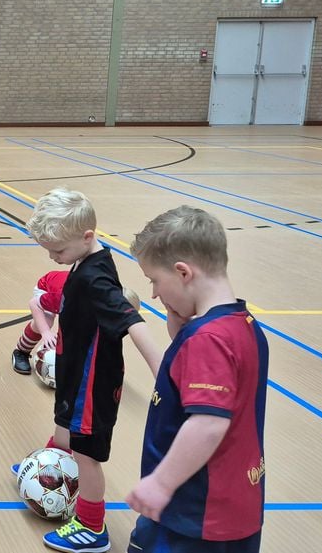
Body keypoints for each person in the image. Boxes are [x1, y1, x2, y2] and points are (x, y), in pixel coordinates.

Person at [25, 188, 162, 553]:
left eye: (58, 251)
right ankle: (48, 464)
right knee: (67, 431)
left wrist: (163, 369)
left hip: (92, 383)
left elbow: (132, 320)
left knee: (87, 455)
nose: (53, 258)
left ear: (87, 237)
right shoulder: (88, 260)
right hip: (77, 374)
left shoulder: (96, 278)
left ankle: (91, 526)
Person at [126, 206, 268, 553]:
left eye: (155, 281)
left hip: (193, 516)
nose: (156, 294)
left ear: (183, 272)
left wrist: (160, 484)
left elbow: (207, 424)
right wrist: (180, 337)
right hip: (235, 510)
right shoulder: (243, 324)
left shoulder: (208, 340)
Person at [12, 270, 67, 374]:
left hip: (69, 294)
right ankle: (21, 351)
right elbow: (34, 304)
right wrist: (45, 332)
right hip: (46, 288)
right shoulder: (61, 297)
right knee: (46, 320)